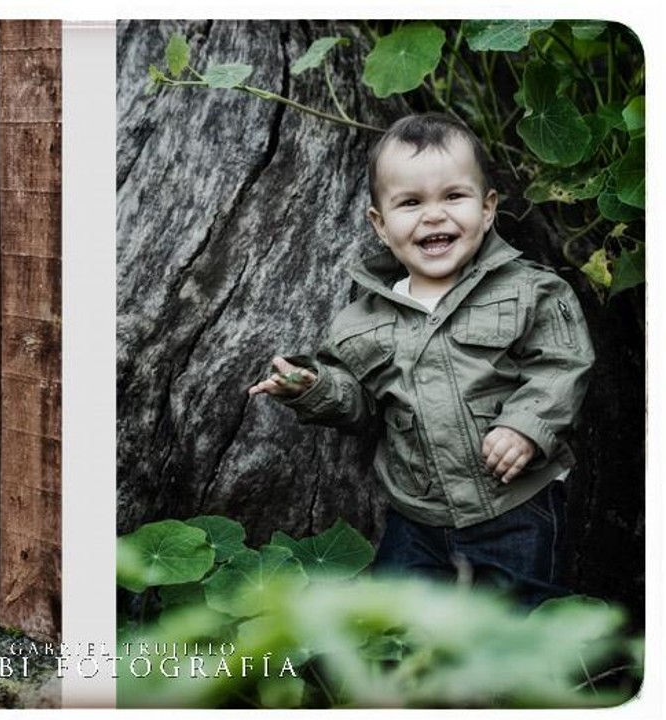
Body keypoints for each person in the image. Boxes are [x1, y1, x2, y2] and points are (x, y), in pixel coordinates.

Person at [248, 112, 594, 606]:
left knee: (518, 626)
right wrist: (313, 388)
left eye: (454, 196)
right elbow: (362, 406)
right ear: (381, 224)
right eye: (410, 203)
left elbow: (562, 362)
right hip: (417, 519)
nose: (434, 215)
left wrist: (526, 424)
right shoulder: (360, 320)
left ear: (488, 207)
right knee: (397, 627)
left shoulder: (529, 290)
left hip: (516, 506)